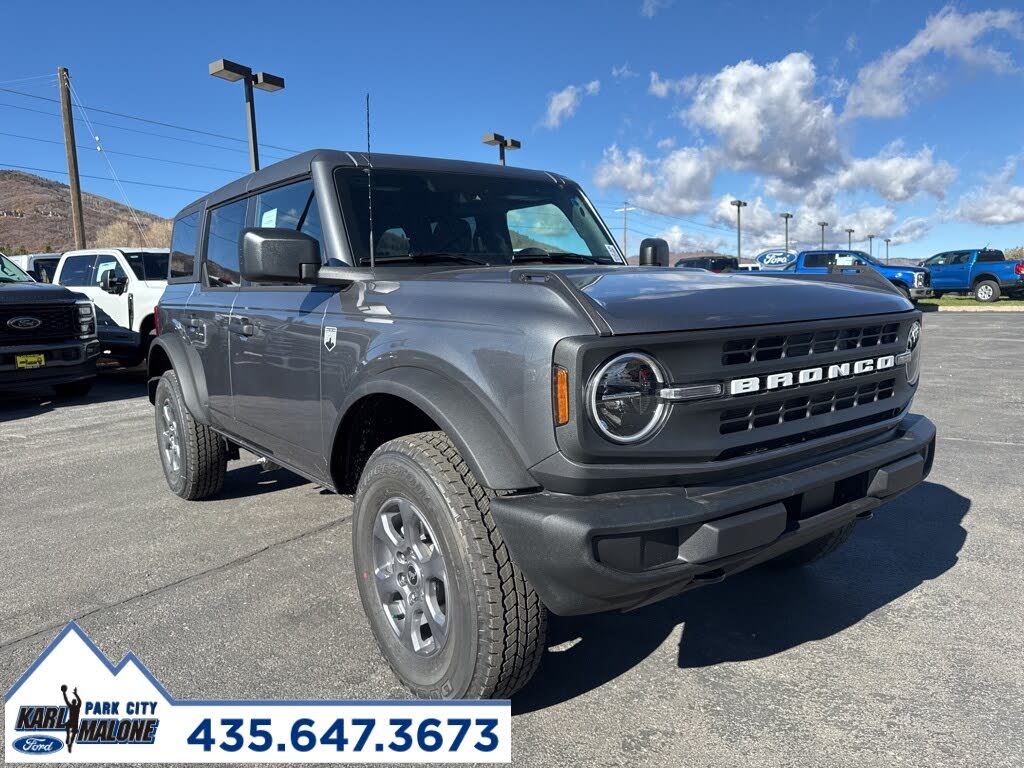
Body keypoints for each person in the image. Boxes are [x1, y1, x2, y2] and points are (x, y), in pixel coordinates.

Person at [61, 684, 82, 753]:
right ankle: (68, 738)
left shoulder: (75, 706)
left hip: (73, 722)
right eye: (73, 701)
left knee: (72, 732)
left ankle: (70, 743)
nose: (73, 702)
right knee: (69, 729)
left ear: (74, 702)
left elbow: (78, 701)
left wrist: (75, 694)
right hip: (73, 722)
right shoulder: (75, 706)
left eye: (73, 701)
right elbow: (66, 700)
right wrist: (64, 693)